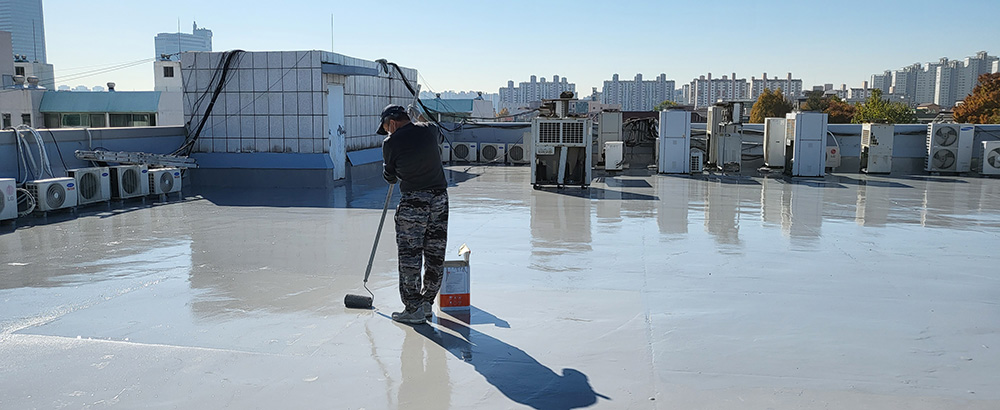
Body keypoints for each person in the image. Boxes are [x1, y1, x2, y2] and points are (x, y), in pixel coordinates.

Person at [378, 104, 449, 325]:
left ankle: (413, 308)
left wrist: (387, 170)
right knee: (435, 253)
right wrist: (418, 116)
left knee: (410, 255)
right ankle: (427, 302)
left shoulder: (391, 142)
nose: (387, 132)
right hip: (440, 199)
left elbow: (390, 176)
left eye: (386, 128)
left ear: (391, 123)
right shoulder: (429, 130)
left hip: (414, 203)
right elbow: (436, 131)